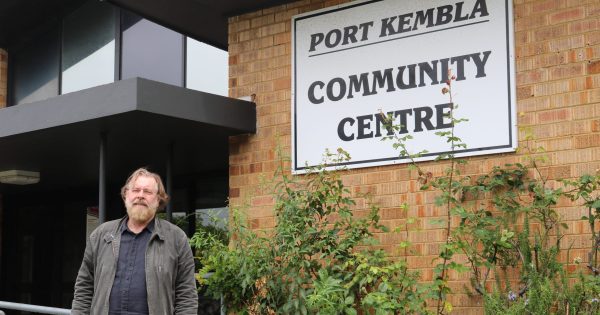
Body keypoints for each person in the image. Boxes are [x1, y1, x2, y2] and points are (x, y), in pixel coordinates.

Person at [71, 168, 198, 315]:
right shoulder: (101, 235)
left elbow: (187, 296)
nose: (140, 195)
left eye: (148, 192)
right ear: (126, 195)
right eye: (136, 190)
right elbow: (84, 288)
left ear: (158, 200)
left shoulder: (176, 239)